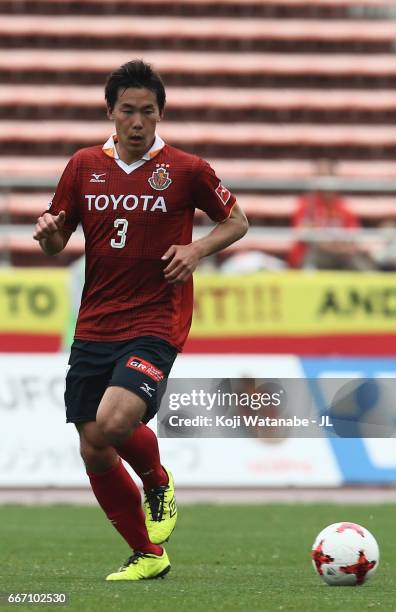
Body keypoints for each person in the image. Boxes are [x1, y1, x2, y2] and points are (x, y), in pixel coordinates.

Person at [33, 60, 248, 581]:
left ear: (160, 114)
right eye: (127, 111)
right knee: (92, 444)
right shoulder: (84, 165)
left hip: (156, 317)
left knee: (112, 422)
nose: (136, 121)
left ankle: (156, 480)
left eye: (147, 112)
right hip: (95, 321)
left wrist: (197, 249)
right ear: (110, 111)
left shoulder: (187, 169)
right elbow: (60, 238)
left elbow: (237, 221)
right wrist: (49, 236)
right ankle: (148, 555)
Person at [288, 159, 373, 270]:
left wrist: (339, 247)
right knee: (314, 255)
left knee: (359, 261)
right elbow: (304, 235)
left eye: (327, 175)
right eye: (321, 175)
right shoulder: (307, 205)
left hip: (339, 255)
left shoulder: (343, 207)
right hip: (314, 256)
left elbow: (353, 237)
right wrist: (330, 245)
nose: (324, 180)